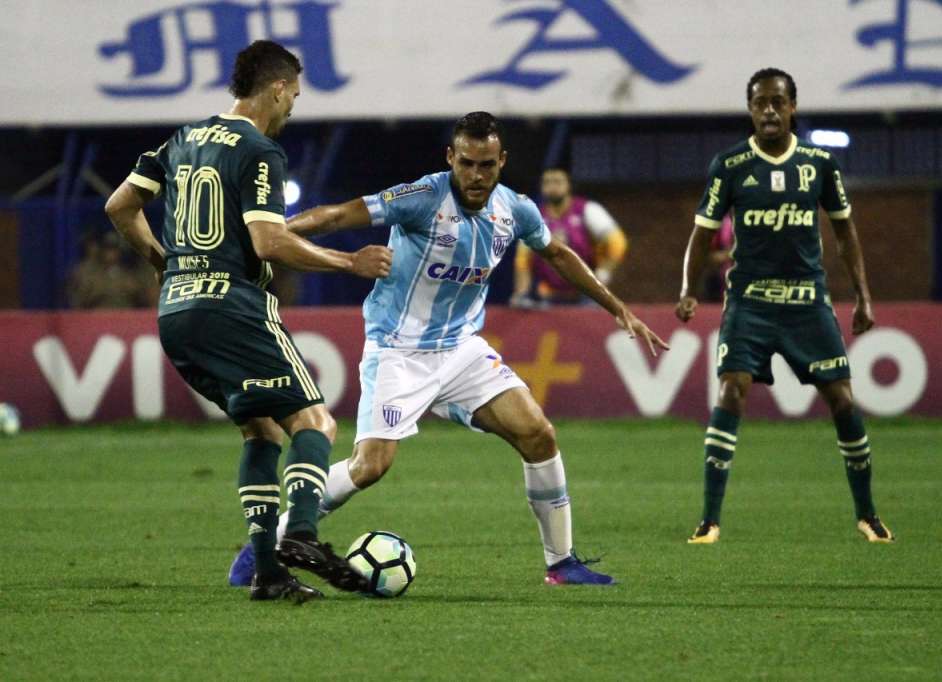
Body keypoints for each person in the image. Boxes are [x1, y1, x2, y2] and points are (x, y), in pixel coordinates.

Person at [228, 111, 669, 587]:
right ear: (450, 158)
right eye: (466, 164)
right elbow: (336, 215)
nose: (476, 176)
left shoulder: (515, 209)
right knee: (369, 467)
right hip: (398, 351)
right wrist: (273, 235)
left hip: (461, 351)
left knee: (538, 433)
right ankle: (265, 546)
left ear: (502, 161)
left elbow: (557, 253)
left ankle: (561, 564)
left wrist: (618, 308)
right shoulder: (421, 198)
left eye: (486, 165)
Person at [104, 40, 393, 602]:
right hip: (231, 304)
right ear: (278, 89)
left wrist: (164, 261)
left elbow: (119, 206)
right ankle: (302, 535)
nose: (292, 108)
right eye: (295, 97)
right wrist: (348, 262)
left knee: (260, 430)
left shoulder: (182, 138)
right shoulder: (259, 150)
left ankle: (268, 574)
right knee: (315, 424)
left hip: (176, 311)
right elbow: (269, 241)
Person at [675, 67, 894, 545]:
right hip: (749, 301)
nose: (769, 111)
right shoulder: (729, 165)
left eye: (778, 102)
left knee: (842, 400)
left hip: (806, 301)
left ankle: (868, 514)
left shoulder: (819, 164)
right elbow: (702, 234)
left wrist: (863, 295)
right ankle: (709, 520)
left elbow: (845, 233)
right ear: (750, 110)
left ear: (793, 107)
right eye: (760, 103)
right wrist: (689, 288)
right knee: (731, 390)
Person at [511, 167, 628, 306]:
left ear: (569, 185)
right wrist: (521, 293)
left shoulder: (588, 210)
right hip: (549, 296)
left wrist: (602, 276)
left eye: (557, 182)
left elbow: (618, 244)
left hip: (587, 297)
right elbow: (523, 260)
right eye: (547, 182)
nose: (552, 187)